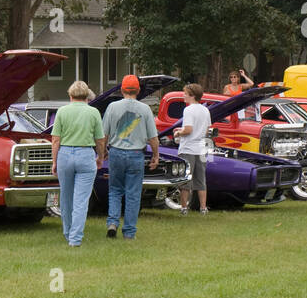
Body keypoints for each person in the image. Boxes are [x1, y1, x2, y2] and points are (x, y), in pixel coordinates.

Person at [101, 74, 160, 239]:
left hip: (116, 153)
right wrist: (156, 155)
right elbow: (153, 137)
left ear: (121, 89)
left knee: (114, 190)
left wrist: (103, 151)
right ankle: (129, 232)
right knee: (133, 194)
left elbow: (104, 134)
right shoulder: (145, 109)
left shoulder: (112, 107)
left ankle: (112, 223)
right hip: (136, 155)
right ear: (138, 90)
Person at [50, 81, 104, 246]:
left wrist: (54, 162)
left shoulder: (62, 111)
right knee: (81, 200)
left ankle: (67, 233)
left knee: (65, 198)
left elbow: (55, 140)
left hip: (65, 154)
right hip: (86, 154)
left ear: (70, 95)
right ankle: (75, 239)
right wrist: (100, 157)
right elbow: (100, 140)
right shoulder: (93, 112)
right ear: (87, 96)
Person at [174, 83, 211, 215]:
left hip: (188, 148)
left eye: (185, 93)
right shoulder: (205, 110)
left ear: (192, 96)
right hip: (201, 149)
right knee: (201, 180)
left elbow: (188, 130)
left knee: (186, 180)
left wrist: (178, 133)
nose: (183, 95)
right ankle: (203, 208)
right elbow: (207, 130)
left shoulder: (188, 110)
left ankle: (184, 208)